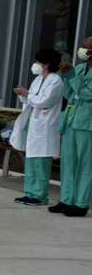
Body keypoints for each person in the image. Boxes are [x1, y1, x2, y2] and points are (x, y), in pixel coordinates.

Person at [10, 49, 63, 206]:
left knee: (41, 163)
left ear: (46, 64)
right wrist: (22, 94)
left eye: (39, 62)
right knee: (31, 161)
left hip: (46, 127)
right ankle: (30, 193)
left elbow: (45, 101)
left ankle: (40, 196)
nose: (36, 65)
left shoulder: (56, 81)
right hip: (34, 126)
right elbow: (30, 99)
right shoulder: (38, 79)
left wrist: (27, 94)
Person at [53, 36, 92, 217]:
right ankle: (66, 199)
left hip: (87, 125)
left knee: (85, 165)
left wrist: (72, 77)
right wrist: (66, 77)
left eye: (86, 46)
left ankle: (81, 203)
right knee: (68, 162)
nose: (82, 49)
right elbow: (70, 94)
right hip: (71, 121)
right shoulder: (80, 68)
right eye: (82, 45)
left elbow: (87, 94)